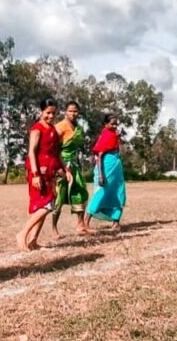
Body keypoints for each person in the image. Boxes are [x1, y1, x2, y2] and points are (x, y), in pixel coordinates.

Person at [16, 99, 64, 251]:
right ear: (41, 112)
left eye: (53, 113)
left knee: (47, 205)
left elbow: (55, 154)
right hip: (38, 172)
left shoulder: (53, 130)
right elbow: (32, 152)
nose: (51, 116)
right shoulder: (37, 129)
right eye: (48, 113)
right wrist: (35, 174)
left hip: (49, 173)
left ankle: (33, 241)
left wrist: (62, 169)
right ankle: (22, 234)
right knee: (46, 205)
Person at [51, 101, 92, 237]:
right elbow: (54, 149)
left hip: (74, 164)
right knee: (59, 197)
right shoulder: (59, 127)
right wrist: (60, 167)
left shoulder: (79, 129)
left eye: (75, 111)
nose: (73, 114)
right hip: (62, 164)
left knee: (80, 192)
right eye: (70, 111)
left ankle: (81, 225)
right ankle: (54, 228)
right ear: (65, 112)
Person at [87, 114, 126, 231]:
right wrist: (100, 175)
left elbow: (116, 149)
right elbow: (98, 156)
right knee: (101, 193)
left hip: (116, 168)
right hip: (106, 167)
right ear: (106, 124)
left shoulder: (115, 135)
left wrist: (118, 137)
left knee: (118, 192)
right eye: (112, 124)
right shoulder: (105, 136)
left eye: (116, 124)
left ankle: (116, 222)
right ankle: (86, 221)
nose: (114, 126)